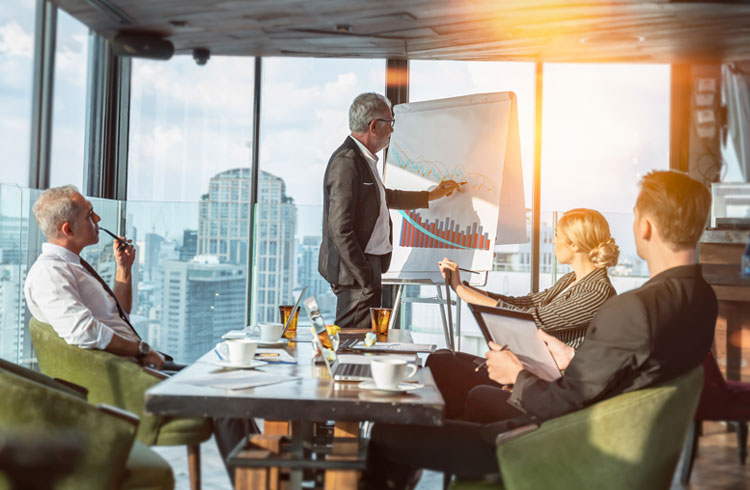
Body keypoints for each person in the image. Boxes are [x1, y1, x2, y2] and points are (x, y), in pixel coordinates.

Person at [364, 170, 718, 488]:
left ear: (644, 227)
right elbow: (624, 375)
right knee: (452, 386)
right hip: (594, 434)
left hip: (549, 443)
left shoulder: (632, 310)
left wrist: (518, 375)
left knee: (384, 433)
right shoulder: (701, 299)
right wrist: (570, 357)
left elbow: (560, 402)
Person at [24, 185, 250, 474]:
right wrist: (141, 350)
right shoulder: (50, 273)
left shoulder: (71, 265)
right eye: (90, 215)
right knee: (226, 394)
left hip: (136, 365)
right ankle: (253, 478)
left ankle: (261, 469)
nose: (98, 221)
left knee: (229, 382)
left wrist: (124, 270)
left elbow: (119, 314)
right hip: (128, 377)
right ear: (68, 229)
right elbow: (84, 332)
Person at [429, 208, 619, 419]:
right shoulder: (570, 280)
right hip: (531, 369)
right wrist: (466, 287)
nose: (554, 242)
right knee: (441, 359)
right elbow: (523, 302)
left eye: (557, 235)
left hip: (545, 384)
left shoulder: (597, 291)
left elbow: (532, 318)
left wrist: (462, 292)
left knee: (455, 375)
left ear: (574, 244)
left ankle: (458, 438)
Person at [319, 92, 461, 329]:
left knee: (365, 339)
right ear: (374, 126)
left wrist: (432, 195)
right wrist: (365, 278)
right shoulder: (347, 162)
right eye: (390, 123)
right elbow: (340, 230)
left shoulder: (364, 159)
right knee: (353, 340)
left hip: (366, 268)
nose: (392, 130)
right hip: (356, 273)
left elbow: (385, 197)